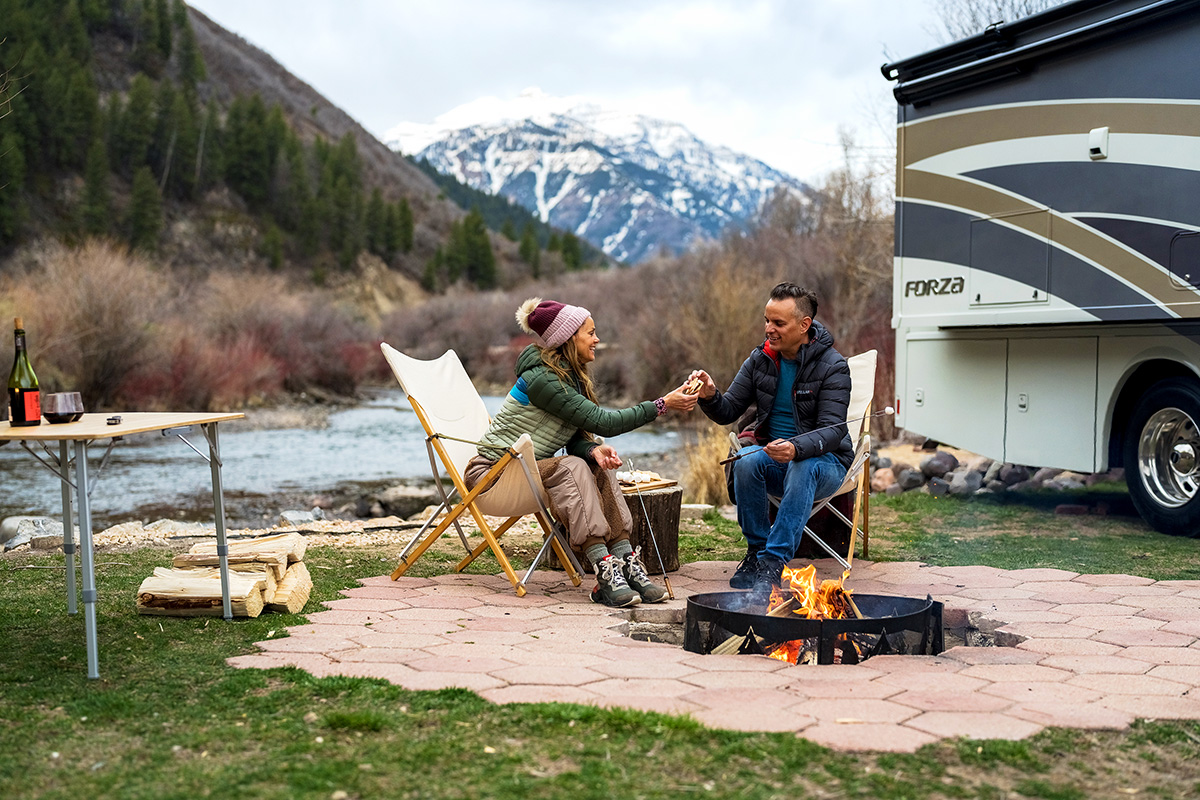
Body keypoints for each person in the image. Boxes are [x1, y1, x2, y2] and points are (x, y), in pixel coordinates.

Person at [465, 297, 698, 607]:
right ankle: (604, 572)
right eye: (590, 332)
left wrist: (593, 451)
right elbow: (605, 421)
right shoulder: (543, 380)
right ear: (568, 337)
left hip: (525, 470)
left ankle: (626, 562)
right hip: (492, 475)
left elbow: (577, 438)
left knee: (593, 464)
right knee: (571, 467)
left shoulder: (570, 379)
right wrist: (662, 405)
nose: (597, 339)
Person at [686, 282, 853, 598]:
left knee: (804, 466)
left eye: (778, 323)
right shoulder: (759, 360)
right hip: (774, 460)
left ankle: (773, 565)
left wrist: (795, 447)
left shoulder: (833, 366)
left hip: (825, 464)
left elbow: (834, 432)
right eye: (767, 320)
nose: (768, 329)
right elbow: (728, 411)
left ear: (804, 325)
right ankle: (757, 553)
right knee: (747, 460)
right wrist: (709, 395)